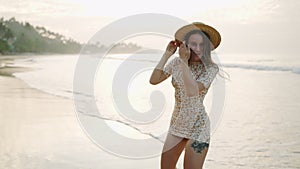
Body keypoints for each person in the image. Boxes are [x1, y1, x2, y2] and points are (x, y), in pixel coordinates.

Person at [149, 22, 222, 169]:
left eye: (202, 45)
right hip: (177, 124)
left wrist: (183, 61)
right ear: (185, 45)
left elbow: (192, 90)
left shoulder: (210, 68)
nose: (197, 49)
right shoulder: (176, 63)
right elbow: (154, 80)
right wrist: (167, 54)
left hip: (198, 126)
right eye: (193, 44)